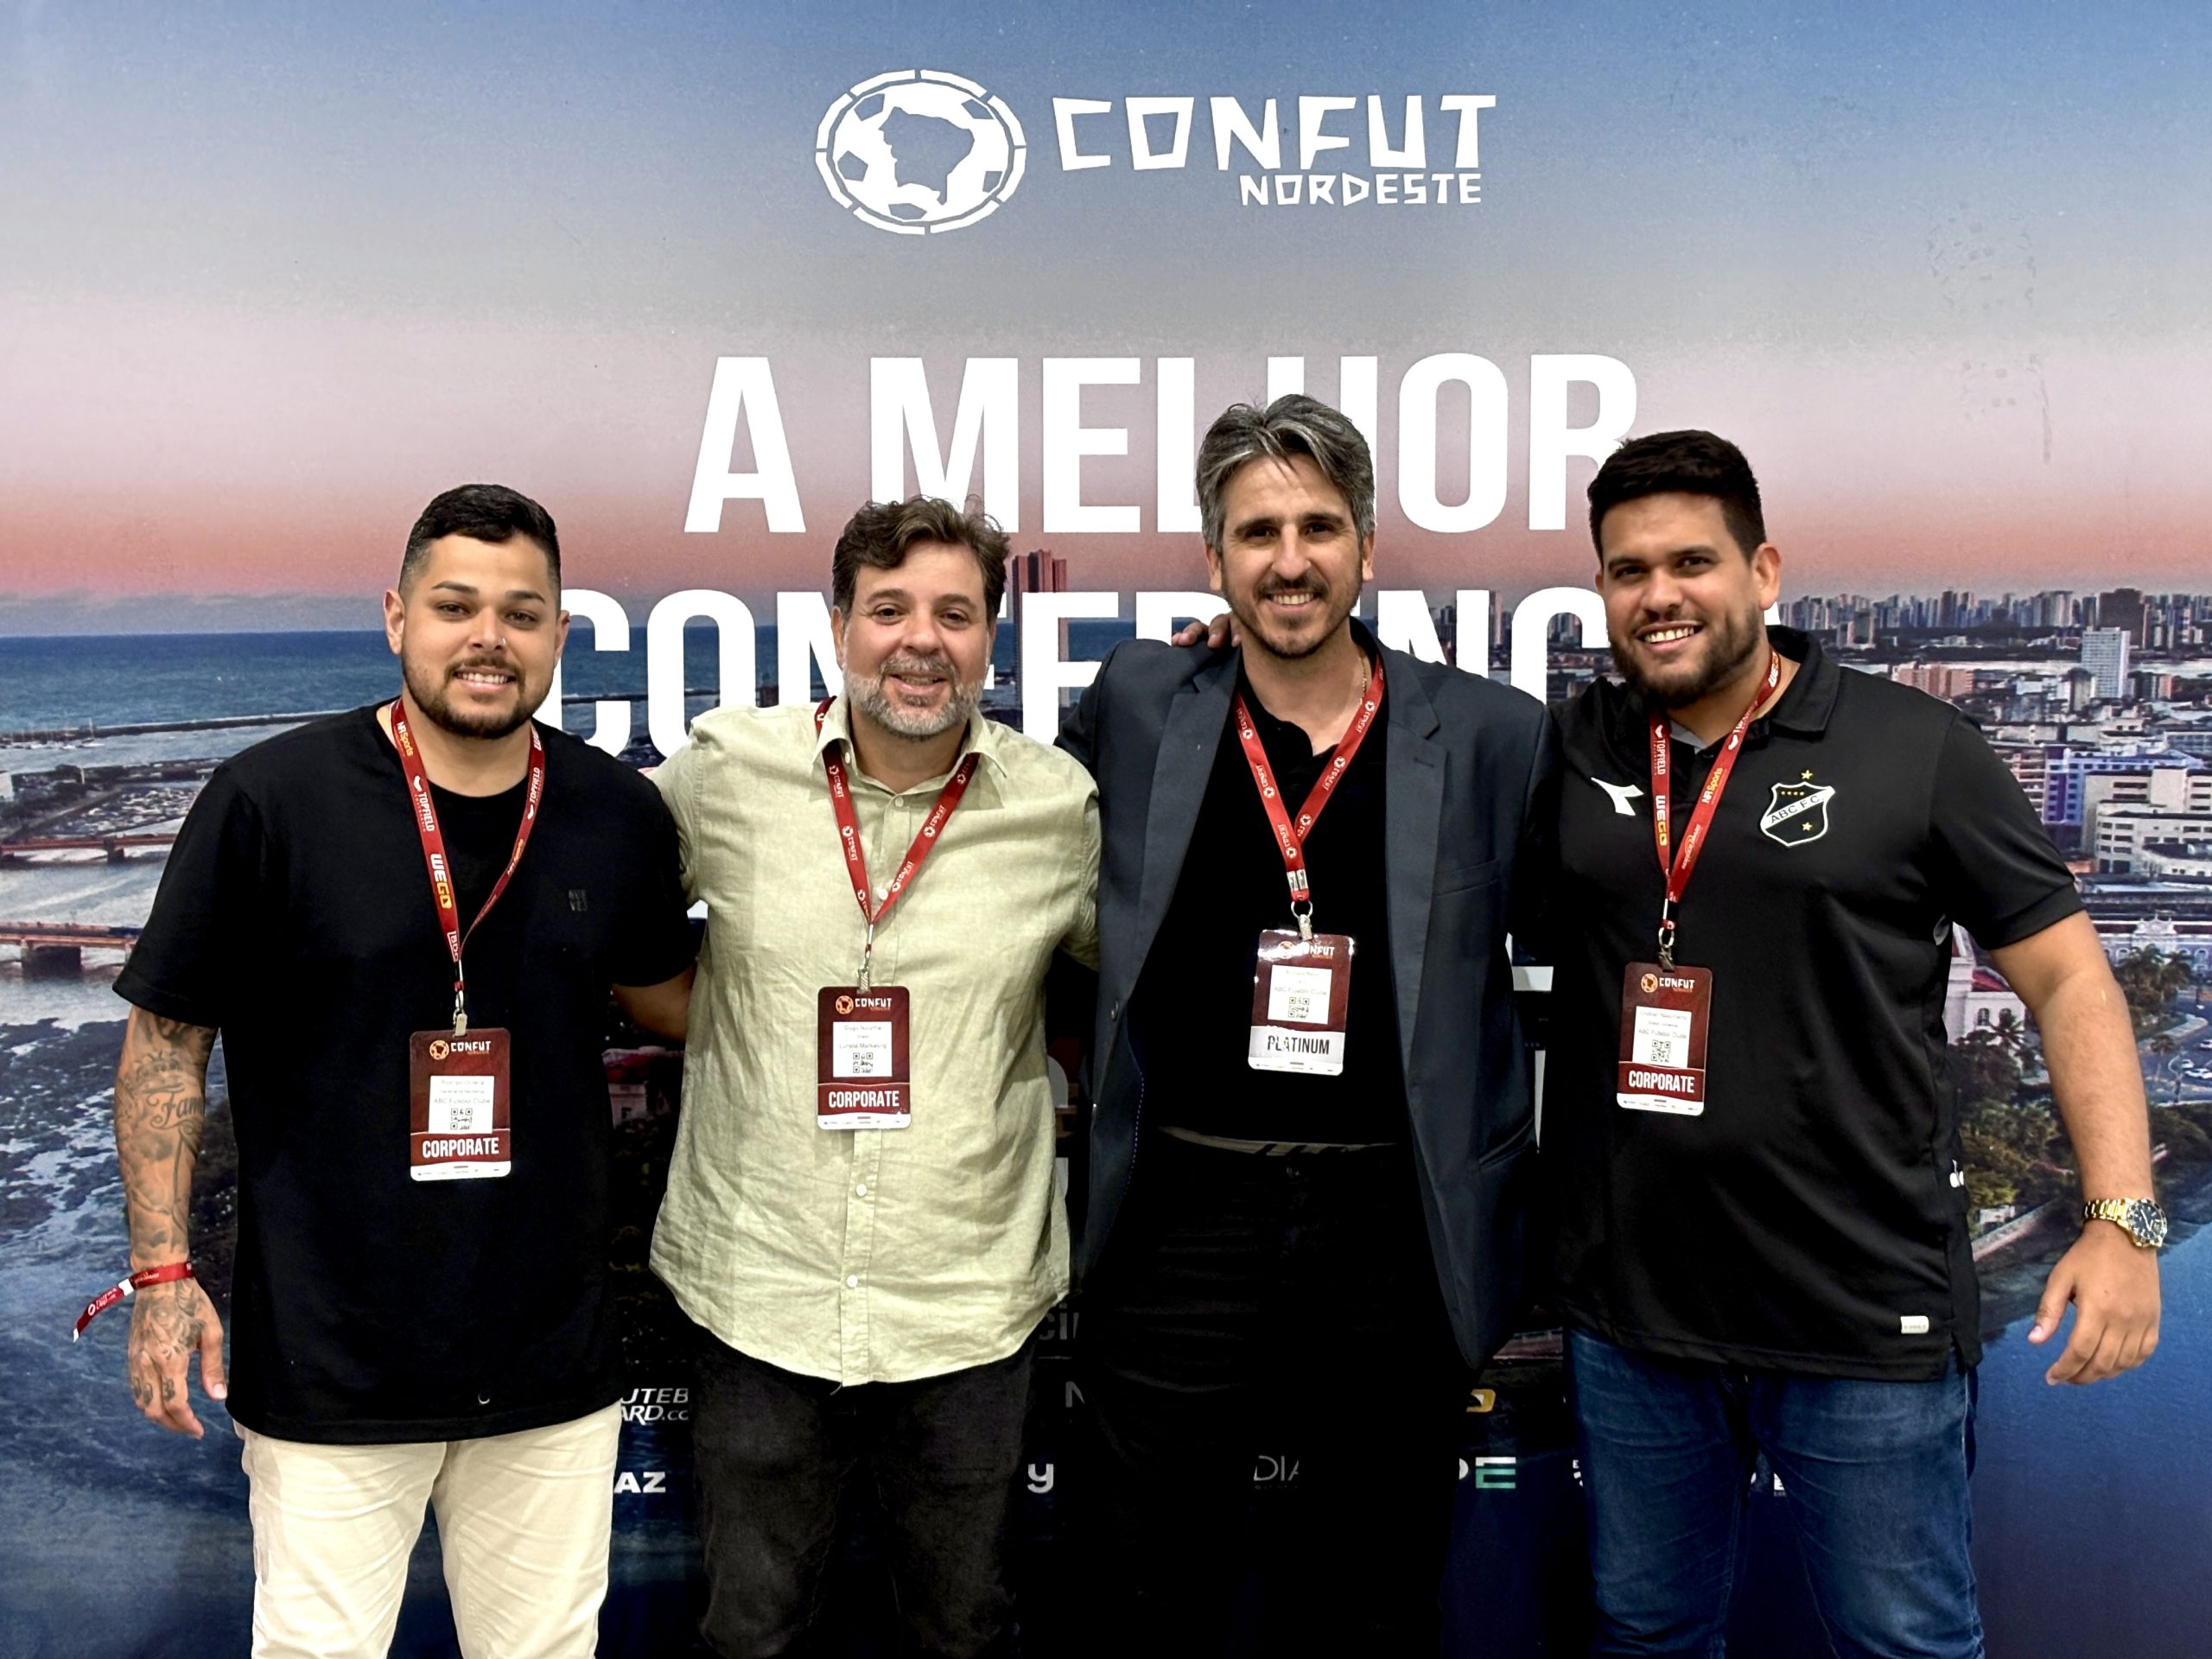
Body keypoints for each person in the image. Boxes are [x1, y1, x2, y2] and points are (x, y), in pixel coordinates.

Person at [1545, 429, 2163, 1658]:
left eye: (1691, 562)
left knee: (1904, 1645)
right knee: (1647, 1634)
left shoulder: (1914, 748)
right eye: (1628, 571)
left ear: (1764, 571)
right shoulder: (1574, 747)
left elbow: (2069, 979)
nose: (1660, 595)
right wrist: (1230, 666)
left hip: (1861, 1322)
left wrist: (2123, 1218)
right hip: (1634, 1323)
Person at [96, 484, 698, 1657]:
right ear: (395, 618)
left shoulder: (615, 813)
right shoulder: (270, 802)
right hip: (331, 1362)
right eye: (455, 606)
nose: (489, 638)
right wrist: (163, 1280)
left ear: (559, 634)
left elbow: (671, 1000)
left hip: (549, 1363)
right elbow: (166, 1042)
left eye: (522, 613)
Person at [1058, 393, 1557, 1655]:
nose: (1291, 561)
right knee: (1142, 1594)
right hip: (1180, 1211)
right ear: (1213, 558)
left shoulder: (1492, 736)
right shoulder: (1139, 699)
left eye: (1320, 527)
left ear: (1368, 547)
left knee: (1373, 1598)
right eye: (1258, 532)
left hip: (1395, 1220)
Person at [647, 495, 1100, 1659]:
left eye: (955, 614)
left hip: (967, 1304)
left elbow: (1140, 985)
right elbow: (600, 922)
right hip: (761, 1288)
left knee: (962, 1635)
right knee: (751, 1635)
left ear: (990, 636)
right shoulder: (723, 774)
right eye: (889, 609)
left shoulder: (1060, 811)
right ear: (838, 624)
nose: (920, 641)